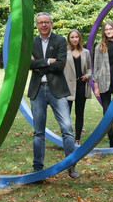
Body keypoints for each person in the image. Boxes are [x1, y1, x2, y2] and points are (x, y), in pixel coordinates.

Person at [28, 12, 80, 178]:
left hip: (56, 89)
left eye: (46, 22)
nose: (43, 25)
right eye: (40, 23)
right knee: (38, 132)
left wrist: (39, 64)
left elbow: (60, 64)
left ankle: (71, 166)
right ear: (36, 25)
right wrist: (48, 61)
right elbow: (27, 64)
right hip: (38, 90)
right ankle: (37, 168)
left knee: (67, 129)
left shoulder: (60, 40)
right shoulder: (31, 41)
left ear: (51, 23)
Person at [63, 29, 92, 145]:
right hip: (68, 86)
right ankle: (67, 137)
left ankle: (77, 139)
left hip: (81, 85)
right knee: (66, 114)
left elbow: (90, 69)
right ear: (69, 39)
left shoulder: (86, 52)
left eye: (76, 37)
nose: (74, 39)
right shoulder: (64, 52)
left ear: (79, 38)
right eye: (72, 37)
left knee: (79, 113)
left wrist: (87, 76)